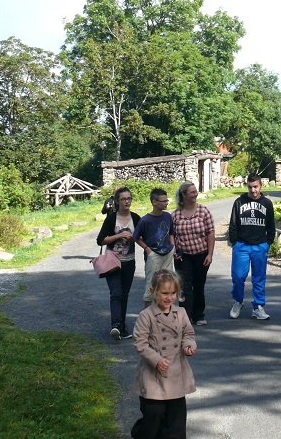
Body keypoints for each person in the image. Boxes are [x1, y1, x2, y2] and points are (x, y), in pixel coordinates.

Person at [131, 269, 196, 439]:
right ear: (153, 292)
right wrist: (156, 359)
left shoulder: (180, 313)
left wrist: (189, 345)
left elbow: (188, 334)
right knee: (154, 414)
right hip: (153, 373)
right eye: (164, 293)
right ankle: (141, 433)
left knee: (177, 417)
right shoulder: (146, 316)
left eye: (173, 293)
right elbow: (140, 342)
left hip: (176, 370)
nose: (169, 297)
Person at [228, 173, 275, 321]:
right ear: (247, 186)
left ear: (260, 186)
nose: (253, 190)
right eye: (250, 187)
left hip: (260, 246)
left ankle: (258, 307)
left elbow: (271, 226)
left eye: (255, 187)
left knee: (259, 278)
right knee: (238, 276)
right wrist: (235, 242)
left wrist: (268, 243)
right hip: (241, 245)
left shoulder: (267, 203)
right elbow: (233, 224)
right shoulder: (239, 202)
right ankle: (238, 301)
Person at [96, 186, 140, 340]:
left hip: (129, 262)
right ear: (117, 201)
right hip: (112, 262)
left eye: (129, 198)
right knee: (116, 293)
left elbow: (141, 238)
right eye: (123, 199)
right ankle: (115, 325)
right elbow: (100, 240)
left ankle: (122, 326)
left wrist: (133, 238)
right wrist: (118, 236)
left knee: (125, 295)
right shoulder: (111, 218)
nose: (126, 201)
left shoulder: (135, 218)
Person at [172, 181, 215, 326]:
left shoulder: (203, 211)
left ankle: (199, 315)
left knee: (198, 285)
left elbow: (210, 233)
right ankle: (185, 317)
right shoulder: (175, 215)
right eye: (192, 192)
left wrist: (210, 254)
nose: (195, 194)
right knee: (184, 287)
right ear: (183, 195)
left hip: (201, 254)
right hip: (183, 257)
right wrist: (174, 251)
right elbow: (171, 235)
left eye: (195, 191)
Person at [133, 188, 176, 309]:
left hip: (167, 253)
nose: (166, 203)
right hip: (153, 255)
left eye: (166, 200)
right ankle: (147, 318)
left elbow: (171, 233)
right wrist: (147, 249)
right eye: (163, 201)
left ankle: (166, 314)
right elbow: (136, 237)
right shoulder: (145, 220)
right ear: (154, 202)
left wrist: (173, 247)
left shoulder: (167, 216)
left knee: (168, 285)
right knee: (151, 286)